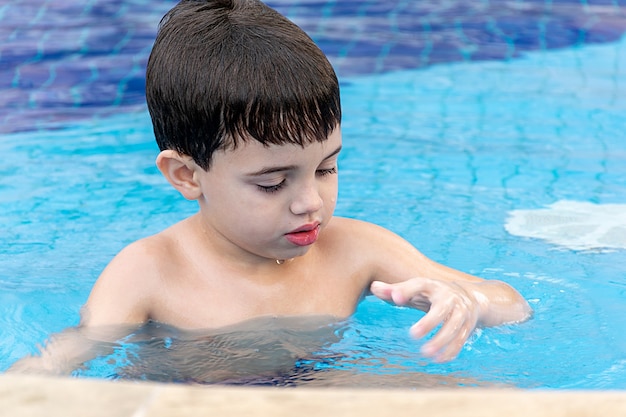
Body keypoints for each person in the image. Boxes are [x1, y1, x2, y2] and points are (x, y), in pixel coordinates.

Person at [12, 0, 531, 375]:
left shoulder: (354, 250)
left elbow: (513, 304)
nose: (310, 203)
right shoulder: (149, 272)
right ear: (187, 176)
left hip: (322, 389)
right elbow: (64, 358)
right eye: (272, 183)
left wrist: (465, 302)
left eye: (326, 169)